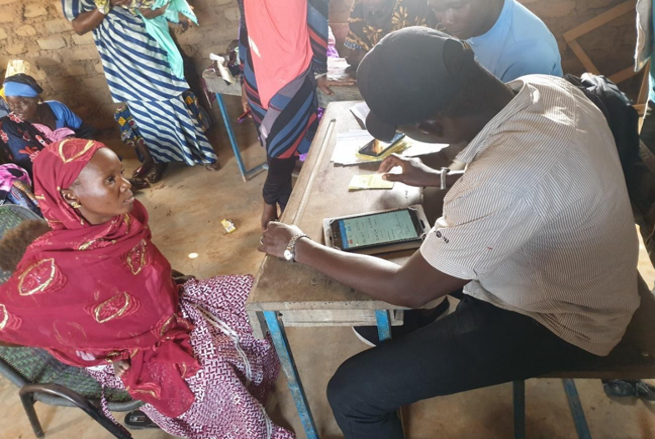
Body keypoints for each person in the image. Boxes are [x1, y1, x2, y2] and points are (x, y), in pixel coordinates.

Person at [258, 28, 639, 439]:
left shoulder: (503, 181)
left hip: (563, 319)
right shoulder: (543, 88)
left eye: (407, 131)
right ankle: (418, 326)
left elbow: (408, 288)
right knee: (420, 242)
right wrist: (441, 174)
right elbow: (524, 167)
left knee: (352, 393)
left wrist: (298, 246)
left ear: (430, 125)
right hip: (567, 267)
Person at [0, 138, 293, 439]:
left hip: (172, 308)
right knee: (211, 375)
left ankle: (256, 383)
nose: (126, 185)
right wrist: (107, 358)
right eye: (110, 180)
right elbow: (20, 322)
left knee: (251, 295)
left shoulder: (123, 222)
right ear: (70, 195)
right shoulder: (56, 267)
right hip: (129, 353)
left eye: (121, 173)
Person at [62, 0, 219, 182]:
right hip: (121, 56)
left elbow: (150, 6)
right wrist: (107, 4)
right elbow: (79, 27)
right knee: (143, 111)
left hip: (150, 45)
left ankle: (201, 153)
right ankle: (159, 159)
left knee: (172, 100)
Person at [239, 0, 353, 230]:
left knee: (282, 149)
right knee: (277, 149)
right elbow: (245, 25)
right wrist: (244, 76)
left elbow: (317, 18)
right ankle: (286, 212)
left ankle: (269, 203)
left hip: (295, 72)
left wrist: (320, 70)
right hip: (258, 76)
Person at [429, 0, 562, 82]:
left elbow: (514, 123)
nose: (447, 20)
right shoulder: (476, 22)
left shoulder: (526, 55)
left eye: (457, 6)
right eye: (436, 8)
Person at [0, 74, 94, 177]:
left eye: (23, 103)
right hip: (47, 177)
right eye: (11, 104)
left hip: (79, 163)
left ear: (36, 98)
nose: (16, 109)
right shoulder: (9, 126)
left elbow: (86, 132)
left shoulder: (57, 108)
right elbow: (29, 163)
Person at [344, 0, 437, 69]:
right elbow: (355, 53)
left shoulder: (414, 5)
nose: (369, 1)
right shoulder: (359, 7)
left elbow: (430, 51)